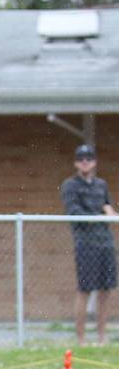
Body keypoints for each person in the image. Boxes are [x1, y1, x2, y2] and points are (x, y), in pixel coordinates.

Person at [61, 144, 116, 345]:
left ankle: (102, 337)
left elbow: (108, 207)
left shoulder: (101, 185)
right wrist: (101, 216)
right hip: (86, 244)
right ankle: (81, 339)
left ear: (94, 162)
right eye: (81, 159)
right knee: (85, 290)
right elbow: (75, 215)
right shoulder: (70, 185)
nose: (85, 162)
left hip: (106, 243)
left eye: (89, 158)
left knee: (106, 290)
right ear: (76, 163)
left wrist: (109, 213)